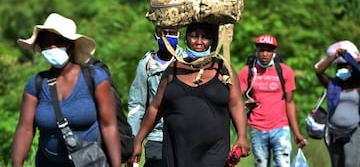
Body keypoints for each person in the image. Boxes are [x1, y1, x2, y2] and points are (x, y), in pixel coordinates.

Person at [131, 22, 251, 167]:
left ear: (211, 41)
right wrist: (138, 141)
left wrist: (242, 136)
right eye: (194, 36)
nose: (199, 42)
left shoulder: (223, 68)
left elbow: (236, 103)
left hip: (214, 151)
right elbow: (155, 107)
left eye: (205, 37)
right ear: (186, 39)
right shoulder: (173, 69)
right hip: (177, 149)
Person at [12, 13, 121, 167]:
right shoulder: (36, 85)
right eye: (46, 43)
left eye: (58, 42)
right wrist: (17, 164)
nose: (52, 47)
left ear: (69, 44)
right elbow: (25, 128)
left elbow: (109, 125)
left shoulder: (94, 78)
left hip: (88, 162)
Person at [238, 34, 307, 167]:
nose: (264, 54)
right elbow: (236, 100)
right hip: (257, 127)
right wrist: (246, 105)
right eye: (261, 50)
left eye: (268, 51)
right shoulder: (248, 72)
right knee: (261, 164)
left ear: (274, 52)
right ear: (256, 51)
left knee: (282, 163)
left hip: (281, 128)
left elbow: (290, 102)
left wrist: (296, 133)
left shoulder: (285, 71)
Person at [127, 26, 184, 167]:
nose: (168, 38)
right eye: (164, 34)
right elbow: (137, 105)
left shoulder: (186, 62)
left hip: (183, 134)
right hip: (157, 136)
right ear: (156, 36)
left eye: (172, 33)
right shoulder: (147, 65)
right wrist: (133, 140)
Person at [314, 40, 360, 167]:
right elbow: (318, 70)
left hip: (353, 131)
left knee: (351, 164)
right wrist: (335, 55)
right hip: (333, 131)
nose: (343, 69)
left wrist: (355, 60)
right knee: (337, 164)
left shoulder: (357, 87)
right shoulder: (332, 84)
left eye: (346, 66)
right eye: (340, 66)